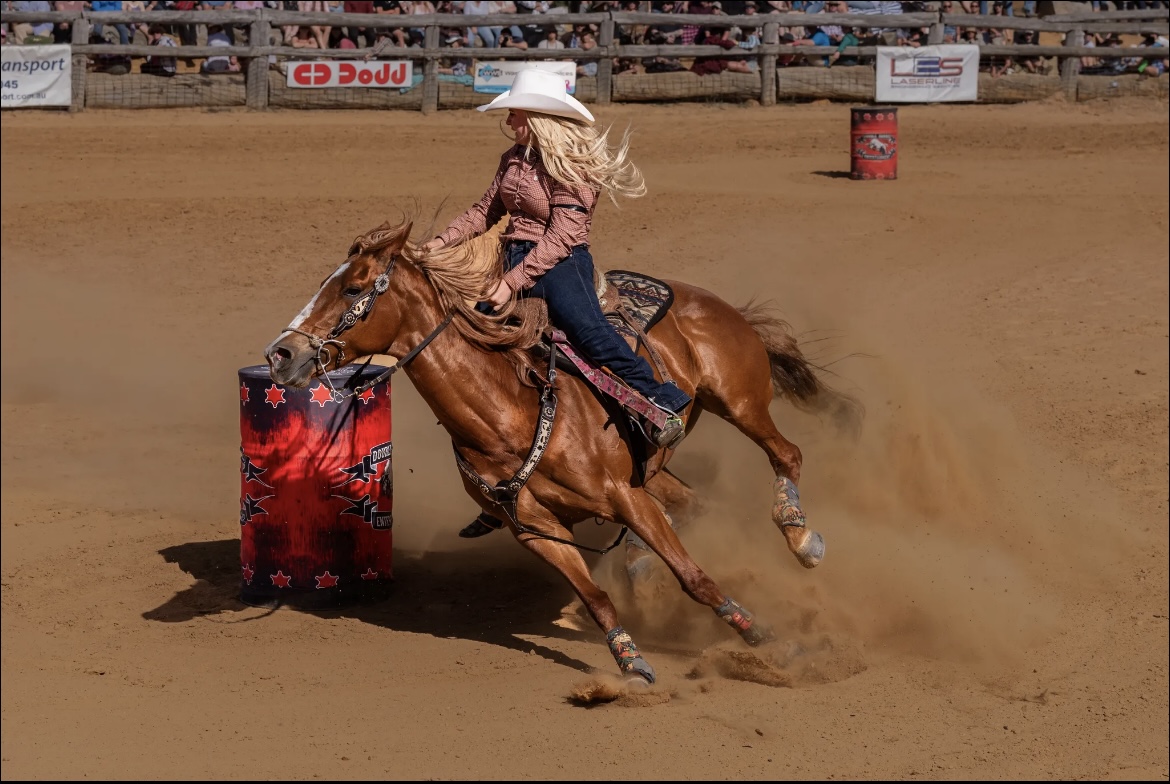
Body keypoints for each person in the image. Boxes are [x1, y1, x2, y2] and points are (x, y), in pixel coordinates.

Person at [421, 69, 692, 538]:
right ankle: (502, 470)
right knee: (481, 349)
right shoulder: (513, 159)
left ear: (540, 116)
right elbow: (485, 211)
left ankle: (661, 402)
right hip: (515, 257)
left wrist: (511, 282)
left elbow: (565, 235)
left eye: (517, 111)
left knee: (589, 335)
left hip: (560, 265)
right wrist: (440, 244)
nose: (510, 117)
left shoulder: (572, 166)